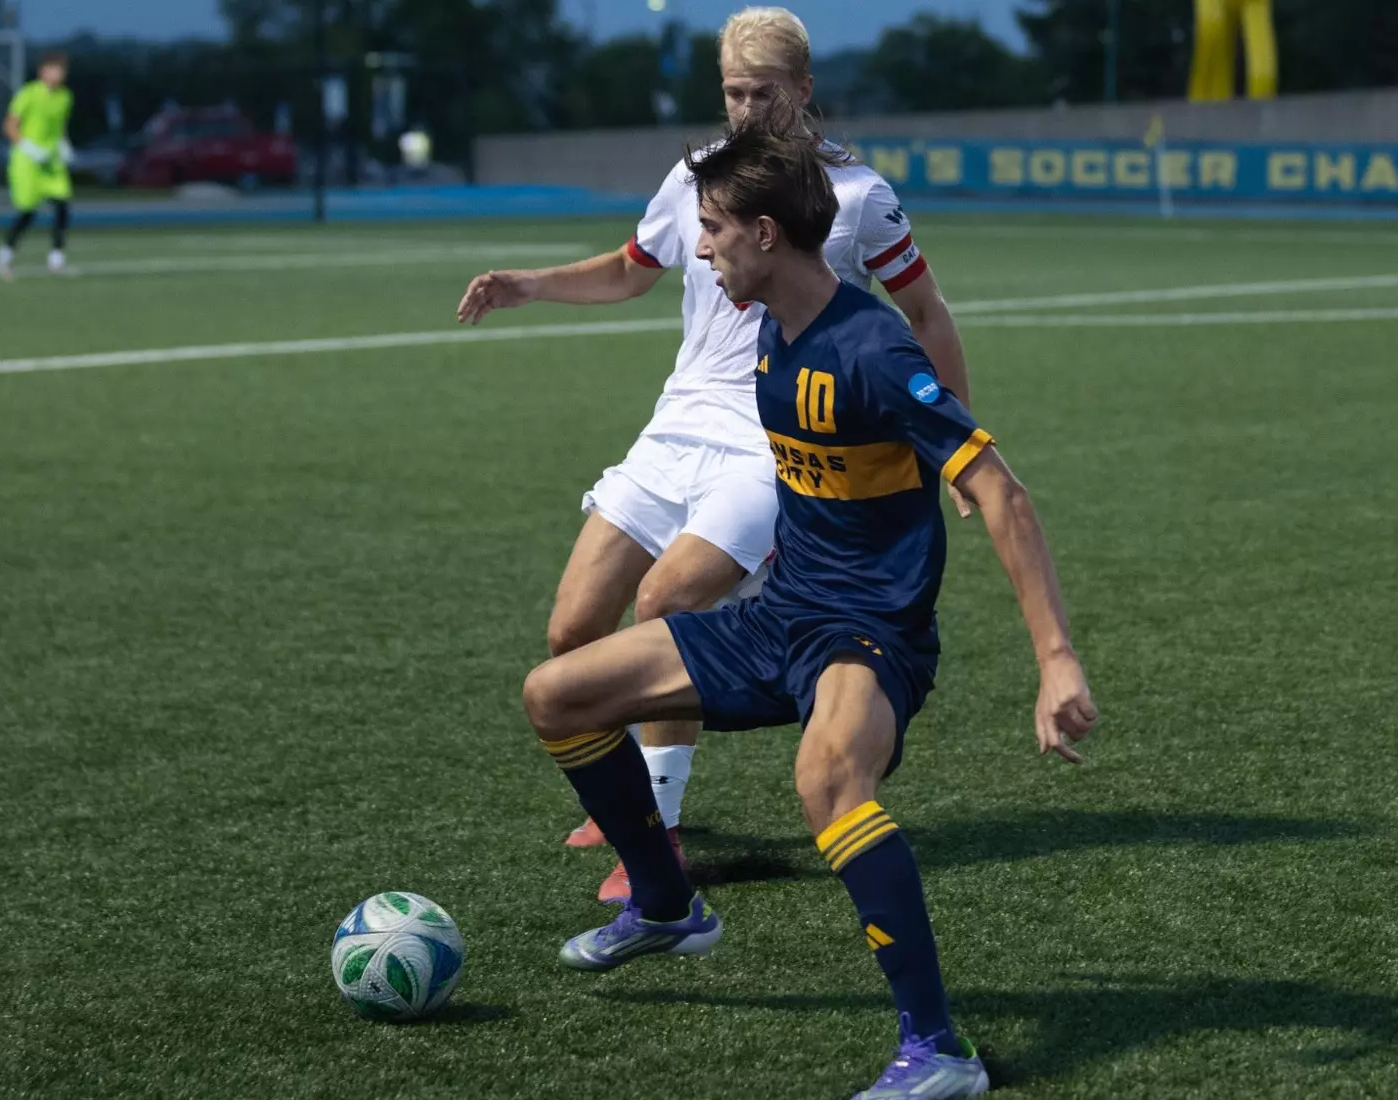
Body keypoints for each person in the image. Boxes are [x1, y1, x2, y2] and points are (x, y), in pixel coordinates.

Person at [517, 104, 1098, 1100]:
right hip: (780, 616)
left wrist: (1055, 657)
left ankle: (939, 1049)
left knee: (826, 779)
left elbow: (999, 486)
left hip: (870, 636)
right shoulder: (767, 339)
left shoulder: (870, 351)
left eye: (712, 231)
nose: (701, 250)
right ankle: (665, 902)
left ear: (765, 235)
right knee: (556, 692)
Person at [457, 6, 978, 903]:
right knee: (572, 631)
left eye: (762, 92)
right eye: (732, 92)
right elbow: (633, 265)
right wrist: (529, 285)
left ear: (803, 91)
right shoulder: (696, 176)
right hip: (674, 428)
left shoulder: (855, 196)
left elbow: (926, 314)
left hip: (767, 439)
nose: (744, 110)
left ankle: (656, 833)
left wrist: (954, 445)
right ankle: (627, 797)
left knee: (668, 601)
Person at [0, 51, 76, 280]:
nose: (57, 74)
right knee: (28, 212)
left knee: (62, 204)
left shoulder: (65, 97)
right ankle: (6, 253)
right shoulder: (28, 94)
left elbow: (60, 126)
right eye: (53, 69)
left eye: (61, 70)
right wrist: (29, 148)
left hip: (51, 161)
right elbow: (9, 126)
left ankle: (56, 258)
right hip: (27, 161)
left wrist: (64, 144)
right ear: (42, 71)